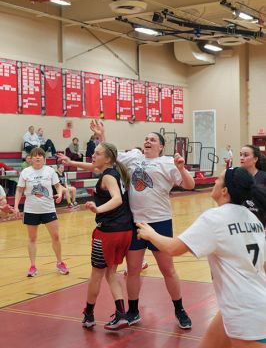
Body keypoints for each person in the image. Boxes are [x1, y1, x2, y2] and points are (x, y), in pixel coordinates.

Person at [137, 167, 266, 348]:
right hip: (249, 301)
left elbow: (173, 248)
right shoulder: (252, 218)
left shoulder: (215, 218)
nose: (214, 181)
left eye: (218, 179)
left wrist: (150, 233)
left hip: (243, 310)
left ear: (224, 190)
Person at [90, 120, 195, 329]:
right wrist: (102, 135)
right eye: (146, 139)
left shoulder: (167, 162)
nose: (148, 141)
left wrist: (182, 169)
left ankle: (180, 309)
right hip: (135, 223)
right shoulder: (134, 157)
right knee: (133, 269)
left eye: (153, 139)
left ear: (161, 146)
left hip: (160, 222)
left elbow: (190, 185)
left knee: (168, 269)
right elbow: (110, 155)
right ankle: (133, 311)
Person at [58, 142, 133, 330]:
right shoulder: (114, 170)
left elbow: (117, 198)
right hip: (124, 230)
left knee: (96, 275)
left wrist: (97, 208)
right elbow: (91, 166)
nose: (93, 155)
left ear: (107, 158)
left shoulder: (108, 177)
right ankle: (122, 314)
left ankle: (89, 314)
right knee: (111, 273)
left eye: (97, 153)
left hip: (109, 232)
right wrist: (71, 162)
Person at [14, 147, 69, 277]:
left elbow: (57, 186)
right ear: (30, 159)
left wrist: (60, 193)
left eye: (40, 155)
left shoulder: (50, 171)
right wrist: (16, 206)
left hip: (48, 209)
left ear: (44, 158)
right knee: (32, 238)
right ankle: (32, 266)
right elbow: (19, 190)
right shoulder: (25, 172)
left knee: (55, 236)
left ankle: (60, 262)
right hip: (31, 210)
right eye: (35, 155)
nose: (38, 157)